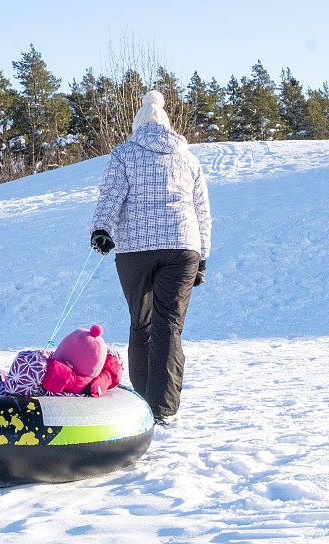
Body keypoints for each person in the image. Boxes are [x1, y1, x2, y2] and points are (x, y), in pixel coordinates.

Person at [90, 90, 212, 426]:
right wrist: (202, 256)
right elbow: (202, 210)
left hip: (136, 249)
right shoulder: (188, 159)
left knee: (141, 323)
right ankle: (165, 409)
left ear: (137, 125)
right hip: (181, 247)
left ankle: (144, 405)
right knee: (168, 326)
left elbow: (111, 194)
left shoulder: (124, 154)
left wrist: (101, 230)